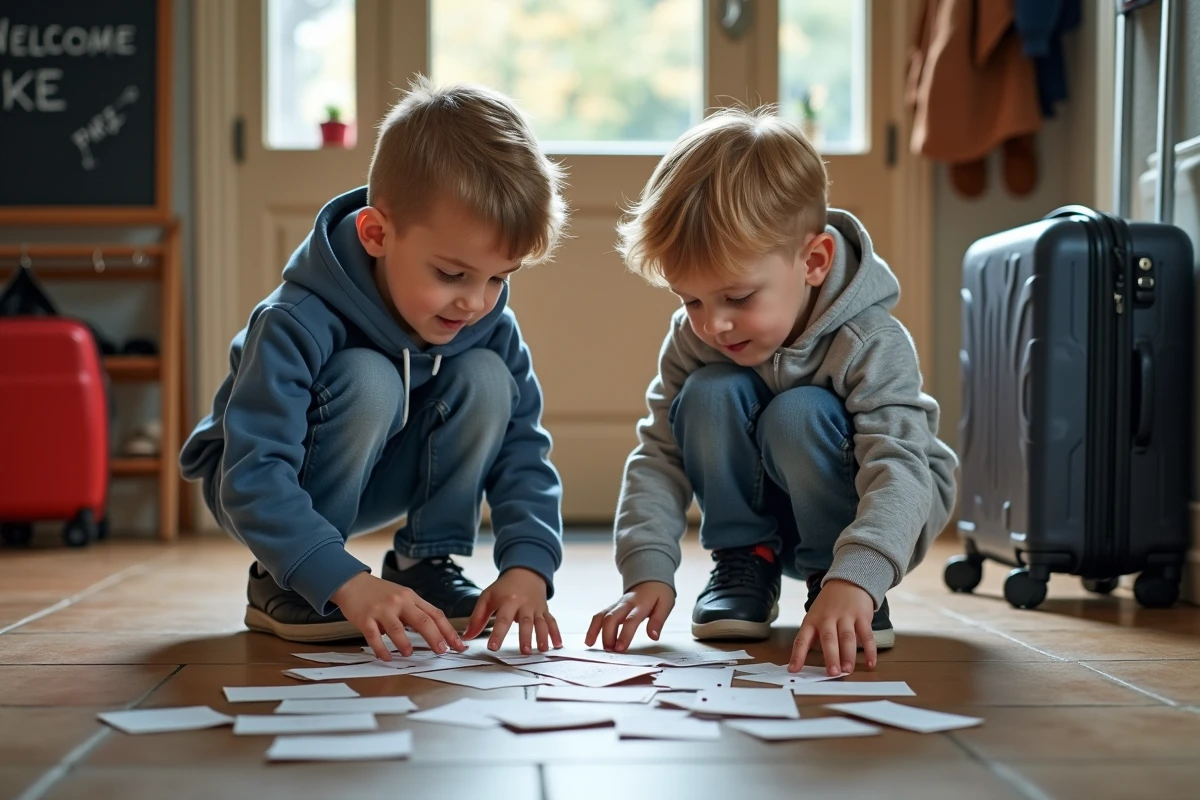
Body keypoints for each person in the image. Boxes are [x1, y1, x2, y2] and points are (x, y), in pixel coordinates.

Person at [181, 77, 568, 661]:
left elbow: (522, 452)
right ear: (377, 233)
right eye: (452, 274)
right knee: (370, 377)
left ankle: (424, 562)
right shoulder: (295, 319)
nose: (476, 302)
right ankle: (285, 581)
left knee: (488, 379)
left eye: (499, 277)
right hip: (255, 481)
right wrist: (341, 578)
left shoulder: (486, 323)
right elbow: (252, 474)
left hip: (381, 464)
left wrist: (529, 566)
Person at [586, 106, 958, 676]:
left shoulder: (870, 341)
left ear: (813, 261)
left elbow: (900, 465)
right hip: (769, 509)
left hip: (882, 509)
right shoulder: (698, 336)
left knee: (799, 412)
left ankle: (835, 585)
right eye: (691, 299)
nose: (713, 325)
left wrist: (859, 574)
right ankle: (746, 560)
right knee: (709, 392)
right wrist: (646, 568)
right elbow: (659, 455)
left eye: (737, 298)